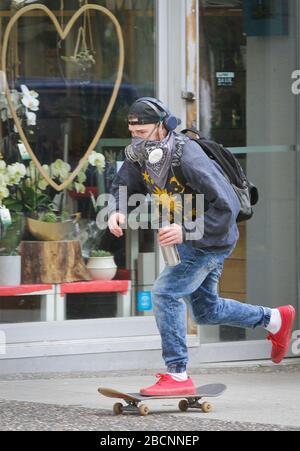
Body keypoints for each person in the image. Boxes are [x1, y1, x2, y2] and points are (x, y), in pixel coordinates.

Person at [107, 97, 296, 397]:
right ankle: (274, 319)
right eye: (133, 133)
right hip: (187, 240)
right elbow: (123, 184)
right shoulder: (141, 154)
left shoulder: (188, 156)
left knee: (165, 293)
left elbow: (228, 205)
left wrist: (185, 229)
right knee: (206, 311)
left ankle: (178, 373)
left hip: (210, 240)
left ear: (162, 126)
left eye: (142, 133)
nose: (137, 139)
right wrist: (117, 209)